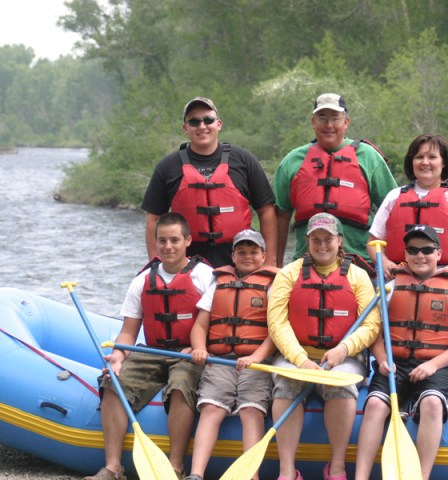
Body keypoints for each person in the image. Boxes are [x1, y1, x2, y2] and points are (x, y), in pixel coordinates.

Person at [85, 212, 213, 480]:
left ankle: (175, 467)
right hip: (152, 351)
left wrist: (198, 348)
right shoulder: (142, 280)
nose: (168, 246)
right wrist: (119, 356)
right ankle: (113, 467)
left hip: (188, 355)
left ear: (188, 240)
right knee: (112, 382)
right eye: (162, 240)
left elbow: (216, 326)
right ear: (155, 243)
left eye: (175, 240)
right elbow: (128, 332)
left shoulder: (205, 276)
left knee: (180, 384)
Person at [367, 133, 448, 384]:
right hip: (401, 283)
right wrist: (383, 262)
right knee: (378, 333)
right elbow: (374, 241)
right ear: (411, 162)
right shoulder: (396, 196)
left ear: (443, 162)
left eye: (432, 157)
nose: (425, 162)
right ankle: (374, 379)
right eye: (419, 157)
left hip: (447, 282)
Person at [354, 225, 448, 480]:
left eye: (427, 250)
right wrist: (381, 359)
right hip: (395, 362)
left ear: (438, 253)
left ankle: (421, 476)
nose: (420, 255)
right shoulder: (389, 289)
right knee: (376, 405)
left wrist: (433, 365)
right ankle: (361, 476)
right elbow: (375, 333)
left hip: (437, 362)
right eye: (413, 250)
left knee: (432, 402)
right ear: (406, 255)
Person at [267, 213, 382, 480]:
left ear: (339, 240)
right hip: (298, 355)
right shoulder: (289, 274)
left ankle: (337, 466)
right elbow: (277, 323)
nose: (322, 245)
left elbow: (371, 325)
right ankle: (287, 471)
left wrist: (344, 349)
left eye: (328, 239)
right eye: (315, 239)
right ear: (307, 242)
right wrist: (300, 360)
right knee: (286, 383)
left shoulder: (358, 276)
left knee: (340, 383)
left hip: (344, 356)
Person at [183, 229, 278, 480]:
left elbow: (276, 332)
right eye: (242, 252)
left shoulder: (273, 285)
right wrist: (200, 348)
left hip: (257, 365)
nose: (248, 256)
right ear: (233, 256)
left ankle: (251, 474)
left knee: (251, 410)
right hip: (220, 361)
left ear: (263, 256)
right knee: (212, 408)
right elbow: (200, 326)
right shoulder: (219, 283)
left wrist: (256, 357)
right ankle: (196, 473)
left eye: (253, 252)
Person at [141, 96, 277, 268]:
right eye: (194, 122)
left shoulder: (244, 161)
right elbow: (153, 219)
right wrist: (155, 265)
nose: (202, 126)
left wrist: (270, 263)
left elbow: (266, 211)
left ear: (218, 124)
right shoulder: (167, 167)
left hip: (240, 265)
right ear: (185, 128)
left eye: (208, 120)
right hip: (187, 267)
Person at [272, 93, 397, 266]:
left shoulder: (369, 157)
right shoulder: (292, 161)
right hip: (305, 262)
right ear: (313, 122)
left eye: (335, 118)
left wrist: (390, 260)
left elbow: (393, 210)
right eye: (322, 118)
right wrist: (275, 265)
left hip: (359, 262)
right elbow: (280, 215)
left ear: (346, 122)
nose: (329, 125)